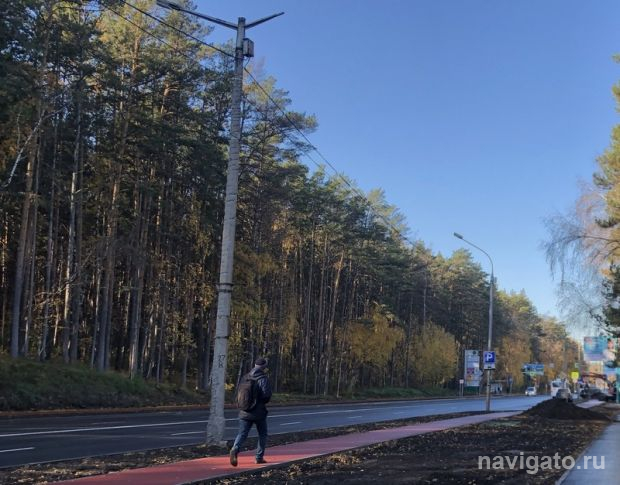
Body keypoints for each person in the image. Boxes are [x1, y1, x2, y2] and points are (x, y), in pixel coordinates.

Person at [229, 357, 272, 466]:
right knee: (263, 434)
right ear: (264, 367)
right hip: (258, 413)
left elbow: (238, 394)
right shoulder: (263, 379)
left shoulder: (245, 377)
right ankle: (259, 457)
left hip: (244, 411)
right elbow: (266, 396)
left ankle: (235, 448)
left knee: (242, 433)